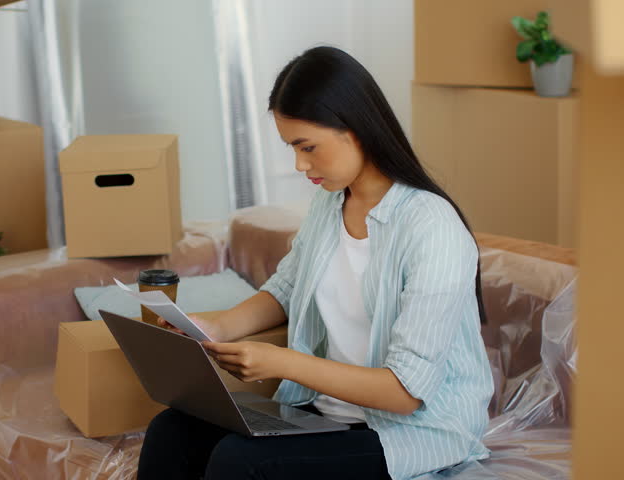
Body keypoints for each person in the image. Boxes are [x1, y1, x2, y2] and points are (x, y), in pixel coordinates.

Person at [137, 46, 494, 480]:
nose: (299, 164)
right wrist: (214, 329)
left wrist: (280, 362)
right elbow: (286, 289)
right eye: (292, 148)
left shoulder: (432, 227)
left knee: (242, 462)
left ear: (355, 129)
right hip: (327, 413)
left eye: (308, 147)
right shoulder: (330, 205)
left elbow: (405, 393)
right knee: (171, 431)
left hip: (413, 431)